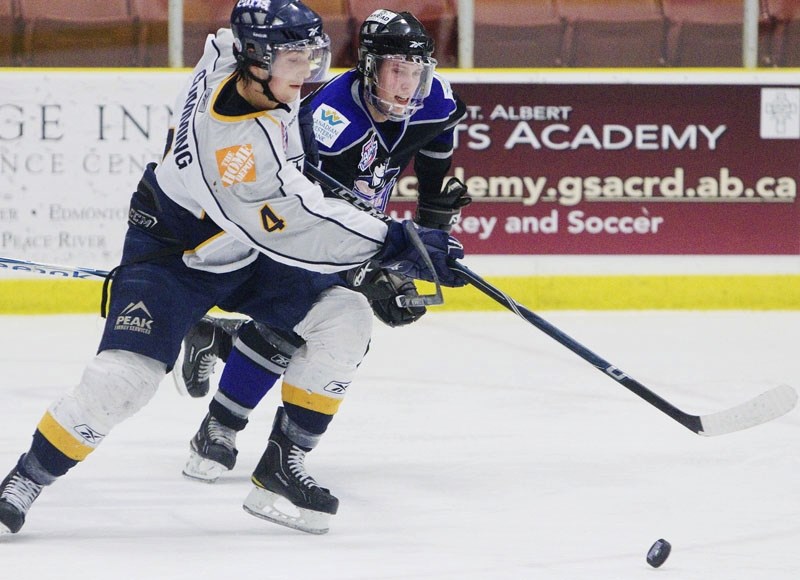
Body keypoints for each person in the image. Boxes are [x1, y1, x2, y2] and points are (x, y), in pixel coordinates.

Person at [0, 0, 466, 537]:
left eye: (312, 57)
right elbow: (292, 220)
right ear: (258, 61)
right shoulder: (238, 148)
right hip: (178, 257)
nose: (310, 74)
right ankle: (26, 478)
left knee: (345, 319)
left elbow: (231, 35)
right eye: (297, 61)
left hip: (245, 250)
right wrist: (397, 241)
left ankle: (280, 466)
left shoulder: (233, 58)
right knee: (124, 381)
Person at [177, 9, 470, 497]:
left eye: (416, 71)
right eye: (397, 70)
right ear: (370, 68)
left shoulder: (433, 100)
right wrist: (373, 270)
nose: (408, 86)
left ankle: (222, 343)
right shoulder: (328, 121)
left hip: (356, 226)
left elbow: (437, 176)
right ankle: (219, 425)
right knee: (291, 321)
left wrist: (428, 249)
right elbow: (308, 217)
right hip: (298, 229)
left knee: (311, 324)